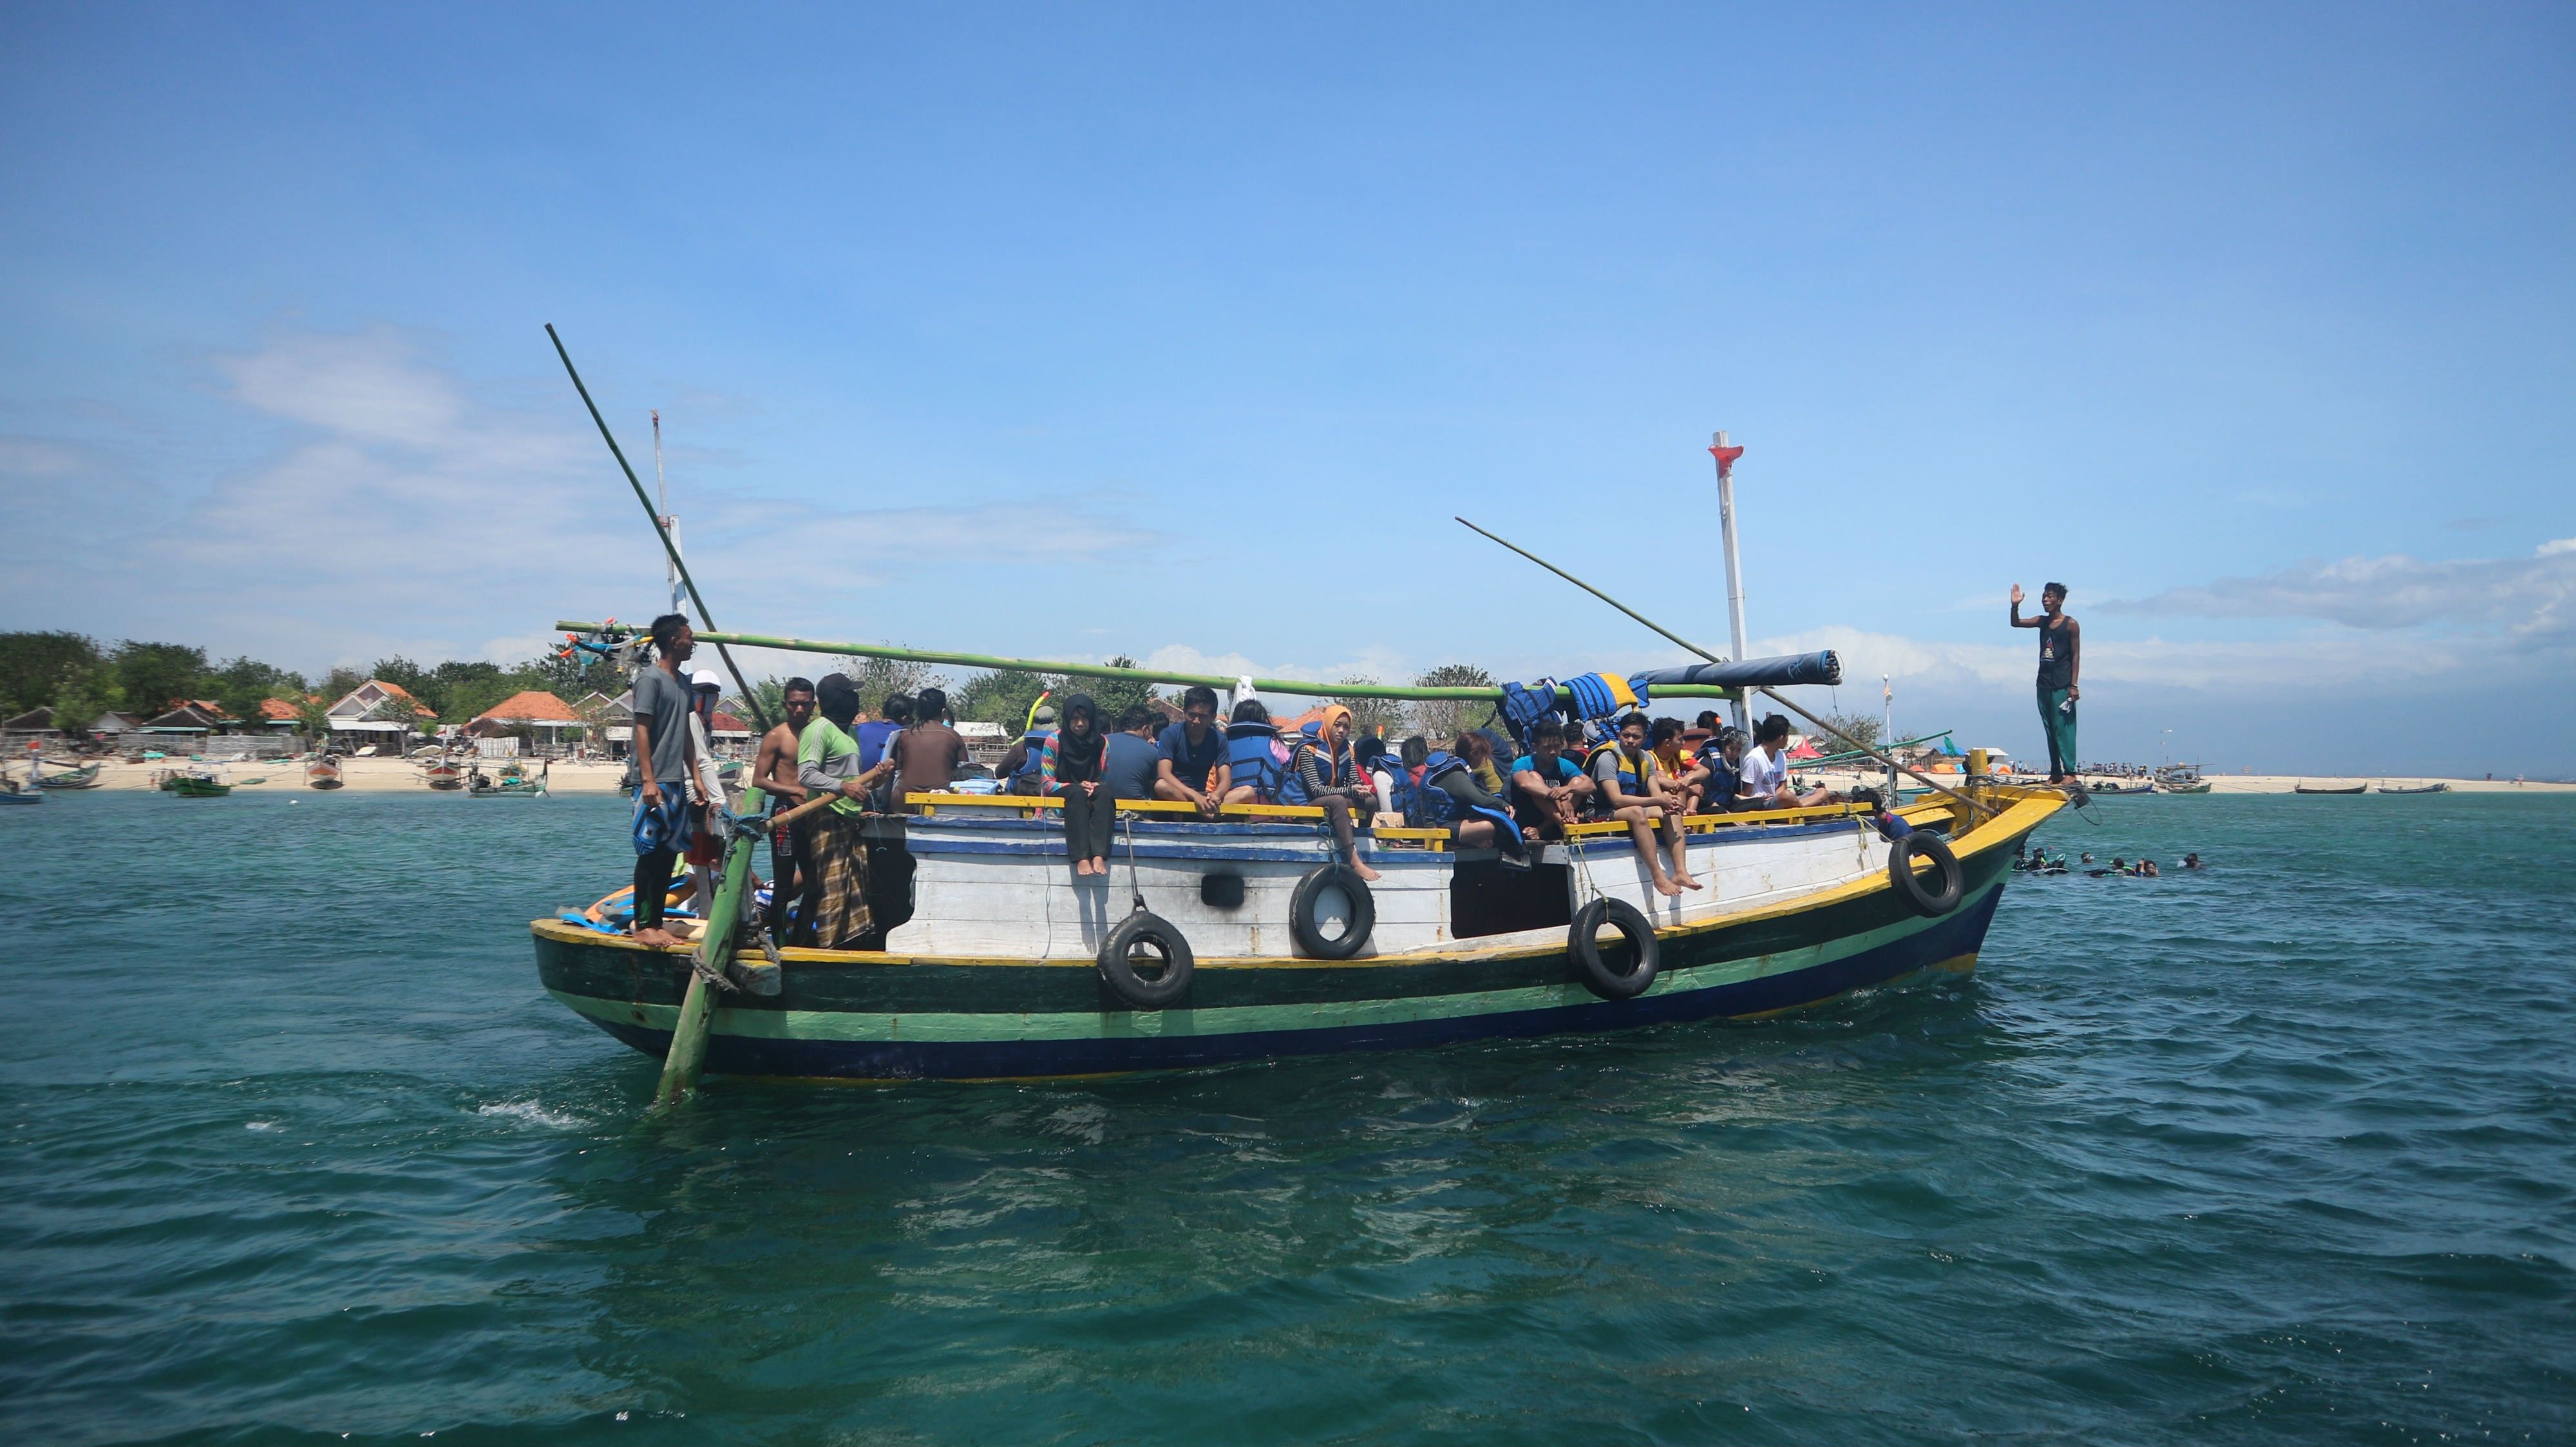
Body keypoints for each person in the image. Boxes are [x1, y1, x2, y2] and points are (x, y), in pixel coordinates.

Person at [795, 674, 895, 949]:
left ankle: (850, 943)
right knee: (833, 889)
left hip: (850, 818)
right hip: (827, 817)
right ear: (837, 699)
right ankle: (827, 946)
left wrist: (878, 778)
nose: (856, 700)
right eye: (850, 694)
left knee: (855, 887)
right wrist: (842, 786)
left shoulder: (849, 732)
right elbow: (807, 775)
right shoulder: (819, 730)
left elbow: (856, 781)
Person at [626, 613, 700, 947]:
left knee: (669, 855)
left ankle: (656, 923)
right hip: (652, 781)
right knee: (649, 854)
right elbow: (641, 729)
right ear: (674, 641)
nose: (692, 642)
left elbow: (684, 732)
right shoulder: (649, 680)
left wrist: (696, 774)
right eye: (688, 637)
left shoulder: (684, 683)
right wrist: (648, 780)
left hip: (675, 780)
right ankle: (642, 924)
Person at [1586, 712, 1699, 896]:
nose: (1630, 740)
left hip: (1630, 809)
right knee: (1637, 812)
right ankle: (1658, 876)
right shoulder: (1607, 758)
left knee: (1672, 812)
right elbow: (1616, 799)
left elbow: (1656, 793)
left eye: (1636, 737)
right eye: (1626, 735)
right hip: (1598, 813)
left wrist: (1669, 803)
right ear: (1620, 735)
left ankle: (1680, 872)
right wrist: (1658, 800)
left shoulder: (1646, 759)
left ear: (1645, 738)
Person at [1282, 703, 1379, 880]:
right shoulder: (1308, 749)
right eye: (1337, 725)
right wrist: (1350, 790)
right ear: (1328, 723)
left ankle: (1361, 842)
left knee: (1371, 801)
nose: (1341, 730)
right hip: (1307, 803)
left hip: (1333, 801)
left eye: (1346, 727)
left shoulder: (1347, 750)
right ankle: (1354, 861)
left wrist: (1360, 790)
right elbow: (1316, 790)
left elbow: (1353, 779)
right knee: (1338, 800)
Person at [751, 677, 815, 936]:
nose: (799, 710)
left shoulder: (819, 734)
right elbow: (759, 780)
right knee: (784, 886)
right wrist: (796, 790)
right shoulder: (776, 737)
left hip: (813, 816)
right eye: (794, 704)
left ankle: (800, 938)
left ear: (814, 705)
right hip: (785, 816)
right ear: (785, 705)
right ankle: (778, 941)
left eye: (805, 704)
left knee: (815, 884)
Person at [2010, 581, 2081, 784]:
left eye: (2050, 597)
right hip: (2043, 683)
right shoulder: (2042, 621)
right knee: (2050, 730)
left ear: (2060, 600)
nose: (2045, 600)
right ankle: (2056, 773)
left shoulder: (2071, 624)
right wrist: (2015, 605)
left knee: (2064, 729)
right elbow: (2016, 623)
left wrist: (2073, 685)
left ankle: (2070, 772)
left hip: (2062, 684)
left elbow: (2076, 656)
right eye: (2044, 596)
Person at [1041, 694, 1117, 875]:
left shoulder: (1102, 743)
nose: (1080, 723)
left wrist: (1093, 786)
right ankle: (1082, 858)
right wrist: (1075, 786)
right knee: (1076, 792)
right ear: (1067, 719)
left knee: (1105, 793)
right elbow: (1047, 784)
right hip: (1063, 798)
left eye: (1085, 718)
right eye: (1075, 719)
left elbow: (1102, 778)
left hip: (1089, 796)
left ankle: (1099, 855)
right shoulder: (1054, 741)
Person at [1153, 685, 1233, 817]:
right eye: (1192, 715)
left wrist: (1217, 795)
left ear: (1213, 716)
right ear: (1184, 712)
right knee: (1161, 786)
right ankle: (1200, 811)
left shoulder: (1219, 739)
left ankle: (1202, 809)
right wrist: (1195, 797)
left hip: (1204, 796)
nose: (1196, 721)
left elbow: (1226, 779)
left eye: (1203, 716)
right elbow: (1164, 773)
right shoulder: (1170, 734)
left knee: (1247, 792)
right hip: (1175, 795)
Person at [1511, 717, 1595, 841]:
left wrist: (1568, 789)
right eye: (1547, 748)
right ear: (1535, 747)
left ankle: (1555, 826)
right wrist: (1562, 797)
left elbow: (1591, 785)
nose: (1553, 752)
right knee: (1534, 778)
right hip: (1531, 816)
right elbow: (1525, 784)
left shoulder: (1563, 764)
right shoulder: (1523, 763)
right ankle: (1563, 823)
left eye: (1557, 747)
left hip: (1556, 817)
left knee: (1577, 782)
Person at [887, 686, 968, 808]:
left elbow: (897, 773)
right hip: (942, 801)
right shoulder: (953, 736)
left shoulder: (905, 735)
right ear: (943, 712)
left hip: (904, 801)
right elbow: (965, 772)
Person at [1738, 715, 1835, 811]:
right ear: (1781, 738)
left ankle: (1798, 806)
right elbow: (1747, 792)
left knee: (1822, 792)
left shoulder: (1781, 756)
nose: (1788, 738)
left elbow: (1782, 785)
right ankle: (1800, 806)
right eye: (1787, 735)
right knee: (1787, 796)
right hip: (1764, 804)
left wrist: (1780, 797)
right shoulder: (1754, 758)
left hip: (1781, 800)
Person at [1220, 698, 1289, 805]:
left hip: (1233, 801)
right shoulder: (1273, 743)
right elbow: (1289, 767)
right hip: (1266, 802)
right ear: (1263, 717)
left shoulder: (1225, 743)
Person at [1101, 706, 1163, 801]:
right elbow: (1154, 786)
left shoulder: (1103, 741)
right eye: (1151, 730)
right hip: (1135, 810)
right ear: (1145, 729)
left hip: (1101, 803)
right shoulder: (1153, 751)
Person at [1649, 716, 1707, 814]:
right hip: (1664, 800)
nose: (1683, 743)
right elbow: (1658, 780)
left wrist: (1688, 779)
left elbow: (1705, 771)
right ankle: (1679, 814)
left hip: (1681, 795)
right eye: (1680, 740)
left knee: (1694, 775)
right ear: (1667, 742)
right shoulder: (1649, 757)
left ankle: (1690, 812)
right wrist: (1688, 787)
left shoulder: (1679, 754)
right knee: (1662, 777)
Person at [998, 703, 1056, 796]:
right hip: (1052, 798)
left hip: (1022, 799)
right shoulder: (1062, 745)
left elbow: (999, 773)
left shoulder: (1021, 748)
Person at [1694, 726, 1748, 813]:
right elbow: (1703, 796)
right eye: (1731, 749)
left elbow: (1729, 795)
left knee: (1758, 803)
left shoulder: (1732, 765)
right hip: (1708, 808)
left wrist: (1753, 799)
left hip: (1725, 806)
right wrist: (1726, 814)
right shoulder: (1708, 762)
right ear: (1723, 746)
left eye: (1738, 750)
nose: (1734, 754)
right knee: (1720, 811)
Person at [856, 694, 909, 773]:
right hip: (884, 782)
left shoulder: (861, 728)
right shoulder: (904, 734)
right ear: (904, 718)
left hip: (856, 779)